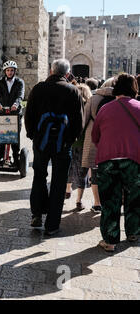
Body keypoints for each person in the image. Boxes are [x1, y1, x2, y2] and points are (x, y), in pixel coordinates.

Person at [24, 58, 83, 235]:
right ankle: (52, 225)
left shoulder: (38, 88)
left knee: (39, 176)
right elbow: (78, 121)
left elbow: (29, 115)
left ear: (51, 71)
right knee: (59, 182)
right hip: (63, 144)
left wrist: (32, 135)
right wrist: (70, 139)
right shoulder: (73, 91)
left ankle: (36, 214)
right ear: (66, 73)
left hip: (41, 141)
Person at [92, 73, 140, 252]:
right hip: (134, 160)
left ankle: (110, 240)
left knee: (110, 201)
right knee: (134, 198)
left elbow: (95, 136)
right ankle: (133, 232)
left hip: (108, 160)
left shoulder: (105, 108)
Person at [81, 77, 116, 214]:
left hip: (94, 137)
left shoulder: (94, 98)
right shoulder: (118, 99)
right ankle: (109, 202)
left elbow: (84, 119)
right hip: (112, 138)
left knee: (95, 171)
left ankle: (97, 203)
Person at [65, 83, 92, 212]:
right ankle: (78, 201)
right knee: (82, 173)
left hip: (71, 142)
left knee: (69, 168)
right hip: (83, 143)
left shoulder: (70, 105)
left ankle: (68, 189)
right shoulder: (89, 107)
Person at [0, 60, 25, 165]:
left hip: (15, 113)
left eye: (12, 70)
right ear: (5, 71)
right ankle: (2, 156)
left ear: (15, 71)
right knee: (2, 134)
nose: (10, 72)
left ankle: (16, 157)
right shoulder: (0, 83)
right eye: (8, 70)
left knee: (14, 135)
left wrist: (16, 104)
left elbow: (20, 95)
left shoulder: (19, 82)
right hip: (2, 112)